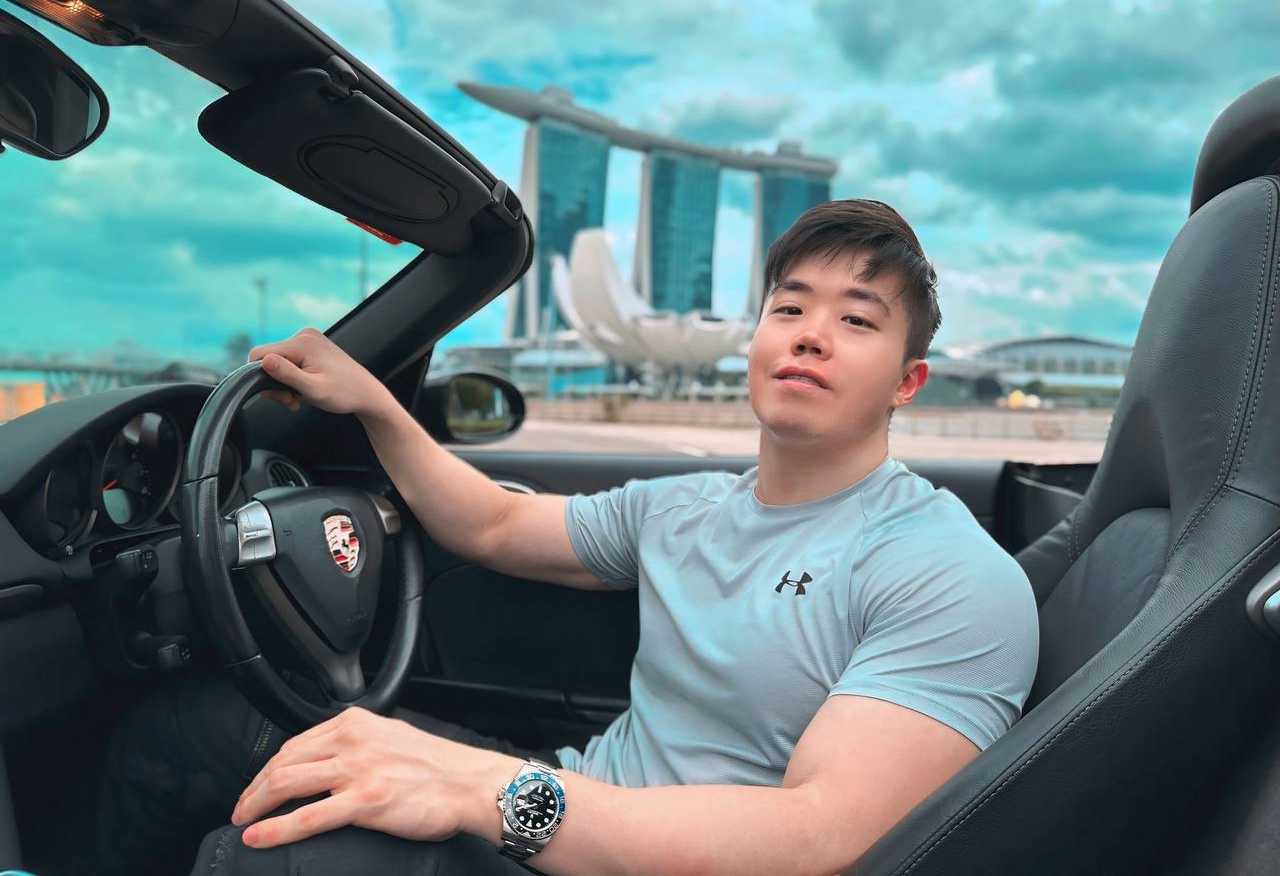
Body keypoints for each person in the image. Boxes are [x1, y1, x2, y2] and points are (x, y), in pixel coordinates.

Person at [104, 198, 1041, 875]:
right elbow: (496, 520)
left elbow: (820, 839)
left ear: (907, 382)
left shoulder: (947, 572)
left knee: (268, 853)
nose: (809, 334)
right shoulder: (689, 509)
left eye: (856, 319)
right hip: (568, 794)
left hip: (622, 852)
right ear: (754, 338)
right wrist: (378, 406)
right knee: (189, 728)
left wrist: (481, 791)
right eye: (789, 308)